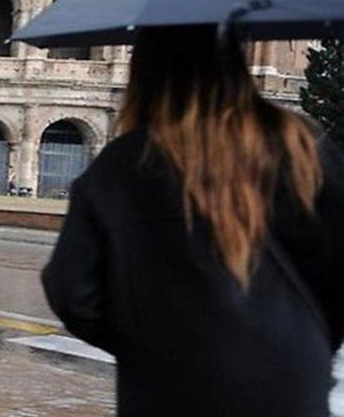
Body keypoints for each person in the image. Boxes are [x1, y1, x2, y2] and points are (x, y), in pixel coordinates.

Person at [41, 27, 343, 416]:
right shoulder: (303, 147)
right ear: (235, 61)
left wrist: (148, 344)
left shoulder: (124, 164)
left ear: (146, 70)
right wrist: (311, 341)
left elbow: (72, 292)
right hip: (291, 380)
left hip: (170, 388)